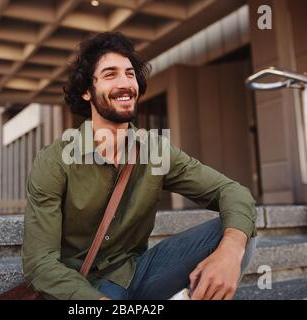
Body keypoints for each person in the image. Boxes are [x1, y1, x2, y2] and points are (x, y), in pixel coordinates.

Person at [22, 32, 257, 300]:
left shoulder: (155, 150)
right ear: (87, 91)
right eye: (110, 75)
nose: (125, 84)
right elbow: (39, 263)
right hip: (82, 288)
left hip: (136, 273)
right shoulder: (55, 160)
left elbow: (232, 192)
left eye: (130, 74)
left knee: (236, 231)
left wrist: (230, 253)